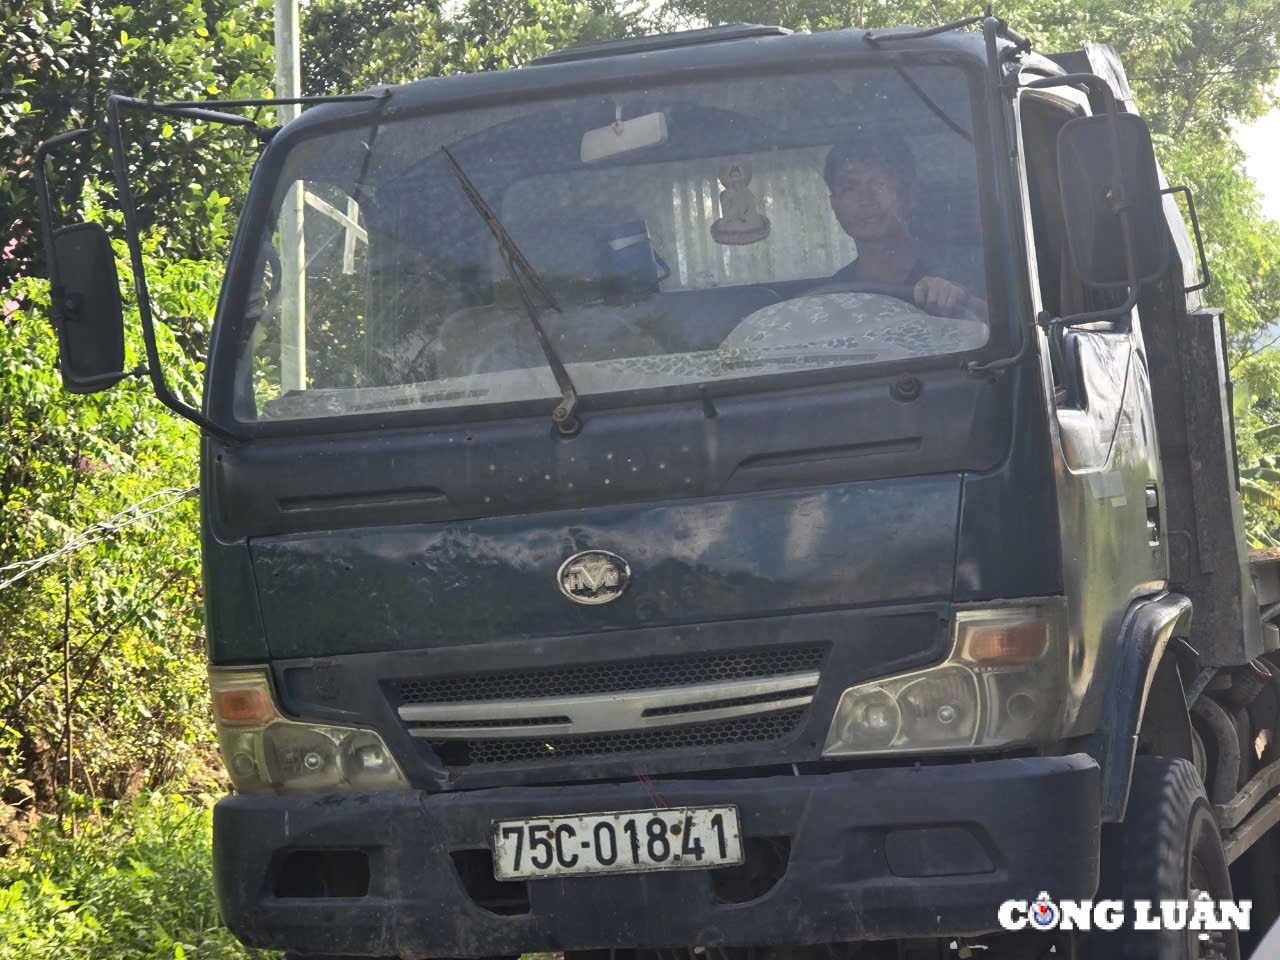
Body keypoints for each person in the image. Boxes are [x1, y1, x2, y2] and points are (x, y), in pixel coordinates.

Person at [823, 133, 986, 321]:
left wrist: (963, 302)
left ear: (911, 194)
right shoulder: (832, 296)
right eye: (849, 187)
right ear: (834, 206)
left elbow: (1009, 327)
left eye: (880, 182)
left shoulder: (968, 269)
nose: (866, 199)